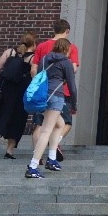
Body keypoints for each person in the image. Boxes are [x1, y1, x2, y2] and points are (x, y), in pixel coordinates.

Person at [25, 38, 77, 179]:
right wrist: (74, 104)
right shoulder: (66, 62)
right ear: (66, 49)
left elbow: (40, 75)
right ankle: (33, 166)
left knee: (60, 124)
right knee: (46, 130)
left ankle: (52, 159)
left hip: (43, 96)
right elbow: (72, 86)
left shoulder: (45, 59)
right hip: (56, 96)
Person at [31, 20, 79, 164]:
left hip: (42, 92)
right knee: (55, 127)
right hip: (59, 93)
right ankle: (35, 162)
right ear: (67, 31)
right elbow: (73, 71)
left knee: (46, 125)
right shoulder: (70, 50)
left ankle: (44, 157)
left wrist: (37, 87)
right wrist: (74, 104)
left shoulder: (42, 49)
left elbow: (34, 70)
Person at [0, 32, 36, 159]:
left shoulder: (9, 52)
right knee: (18, 119)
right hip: (22, 90)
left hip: (6, 87)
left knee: (4, 113)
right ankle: (9, 151)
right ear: (33, 44)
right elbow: (33, 72)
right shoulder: (32, 58)